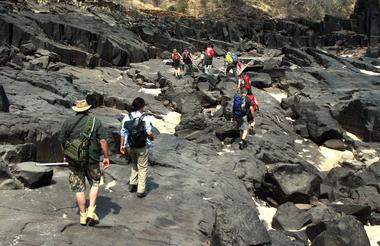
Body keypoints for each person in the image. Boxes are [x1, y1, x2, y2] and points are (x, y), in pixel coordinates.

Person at [58, 99, 110, 226]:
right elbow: (103, 141)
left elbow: (62, 141)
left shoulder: (68, 122)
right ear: (88, 109)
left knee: (79, 187)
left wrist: (66, 156)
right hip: (92, 159)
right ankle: (91, 210)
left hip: (74, 160)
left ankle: (82, 215)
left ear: (76, 110)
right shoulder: (95, 122)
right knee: (95, 183)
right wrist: (106, 156)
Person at [120, 97, 156, 198]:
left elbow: (122, 132)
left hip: (129, 145)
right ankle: (140, 190)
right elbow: (149, 132)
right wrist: (153, 137)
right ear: (142, 106)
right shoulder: (144, 118)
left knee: (134, 164)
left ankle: (132, 184)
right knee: (143, 167)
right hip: (142, 146)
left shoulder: (127, 117)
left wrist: (122, 145)